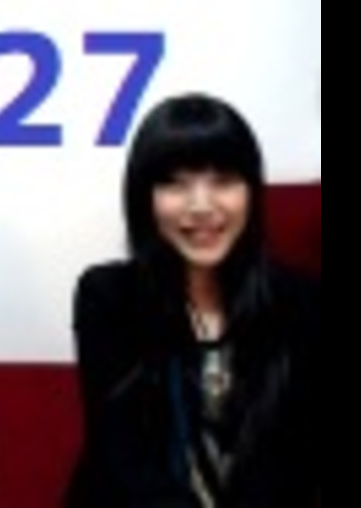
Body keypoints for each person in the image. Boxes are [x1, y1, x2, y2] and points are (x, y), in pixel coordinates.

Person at [66, 93, 319, 507]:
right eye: (175, 183)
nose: (201, 206)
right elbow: (126, 459)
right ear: (144, 197)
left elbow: (292, 465)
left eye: (223, 181)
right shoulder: (108, 296)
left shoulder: (301, 303)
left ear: (251, 192)